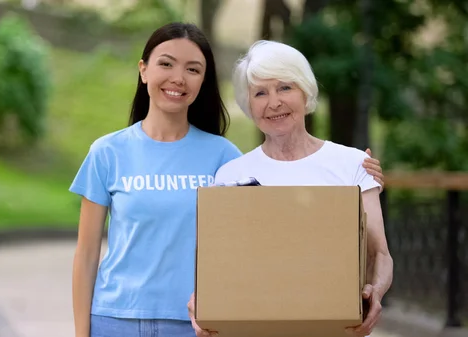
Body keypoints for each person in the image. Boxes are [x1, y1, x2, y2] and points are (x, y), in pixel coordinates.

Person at [70, 23, 385, 337]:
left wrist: (363, 175)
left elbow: (254, 244)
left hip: (192, 323)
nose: (177, 78)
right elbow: (86, 256)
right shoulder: (107, 152)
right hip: (114, 319)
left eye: (192, 69)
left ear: (203, 80)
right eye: (166, 63)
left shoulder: (225, 159)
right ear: (143, 70)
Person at [187, 40, 394, 337]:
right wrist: (203, 307)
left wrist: (375, 292)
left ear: (305, 92)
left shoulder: (353, 163)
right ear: (249, 104)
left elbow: (380, 254)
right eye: (260, 92)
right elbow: (220, 266)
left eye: (285, 87)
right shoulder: (232, 174)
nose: (274, 103)